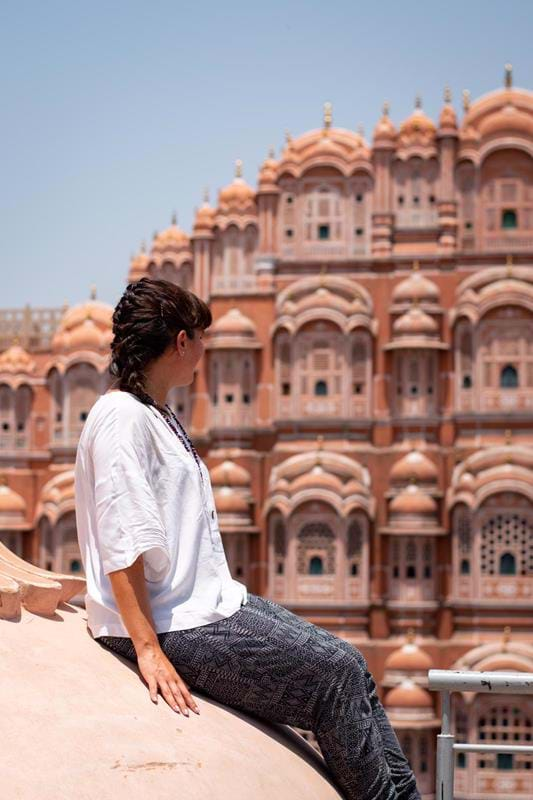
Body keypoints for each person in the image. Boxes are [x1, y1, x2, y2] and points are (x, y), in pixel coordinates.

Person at [74, 277, 421, 800]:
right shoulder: (122, 417)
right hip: (172, 623)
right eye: (200, 337)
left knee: (350, 662)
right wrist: (147, 650)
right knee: (332, 682)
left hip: (206, 605)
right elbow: (122, 540)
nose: (205, 352)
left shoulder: (153, 412)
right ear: (181, 341)